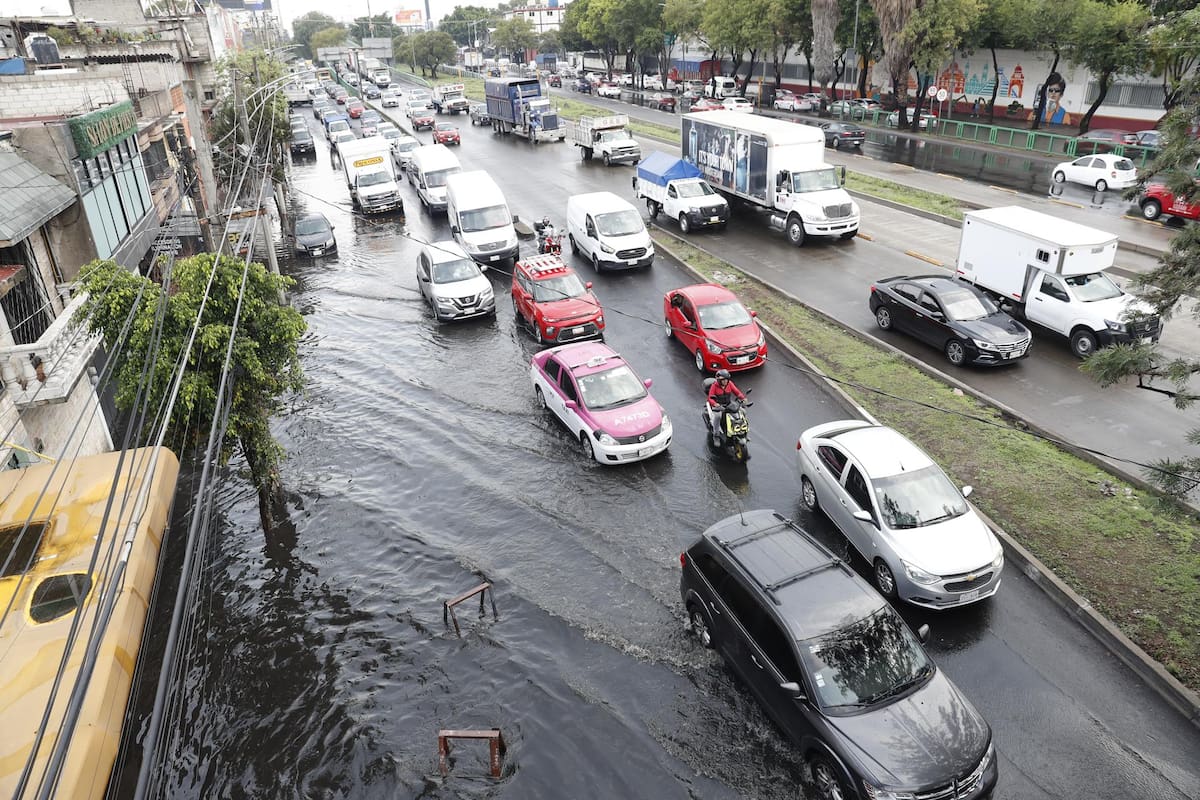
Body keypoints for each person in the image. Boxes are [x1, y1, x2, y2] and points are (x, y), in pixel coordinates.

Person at [707, 370, 746, 436]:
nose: (725, 381)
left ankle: (742, 430)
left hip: (728, 404)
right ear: (719, 380)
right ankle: (716, 433)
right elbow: (710, 398)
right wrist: (715, 404)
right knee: (718, 416)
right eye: (723, 380)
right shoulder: (714, 386)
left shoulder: (729, 384)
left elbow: (737, 392)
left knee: (743, 412)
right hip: (719, 406)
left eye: (726, 379)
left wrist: (743, 398)